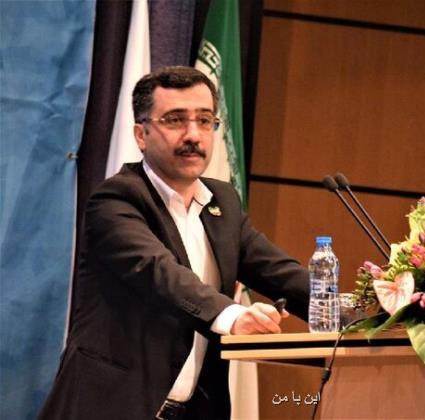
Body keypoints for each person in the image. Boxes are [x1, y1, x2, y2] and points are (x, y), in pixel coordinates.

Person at [38, 66, 309, 420]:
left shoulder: (223, 203)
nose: (193, 135)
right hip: (112, 406)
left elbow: (279, 273)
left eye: (204, 120)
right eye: (175, 120)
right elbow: (160, 273)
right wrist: (232, 315)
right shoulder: (117, 199)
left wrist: (363, 309)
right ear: (141, 134)